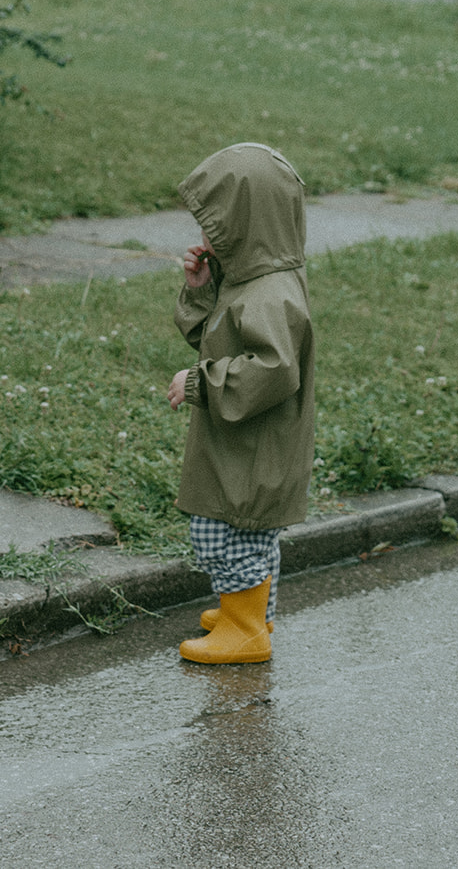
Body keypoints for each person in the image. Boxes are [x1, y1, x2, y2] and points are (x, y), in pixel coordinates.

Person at [165, 143, 315, 664]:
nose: (205, 237)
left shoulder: (269, 296)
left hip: (254, 450)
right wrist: (202, 291)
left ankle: (246, 629)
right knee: (250, 538)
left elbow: (273, 369)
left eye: (215, 224)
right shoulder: (251, 281)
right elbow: (214, 339)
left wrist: (201, 384)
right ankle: (248, 613)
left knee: (222, 533)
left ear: (246, 225)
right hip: (247, 444)